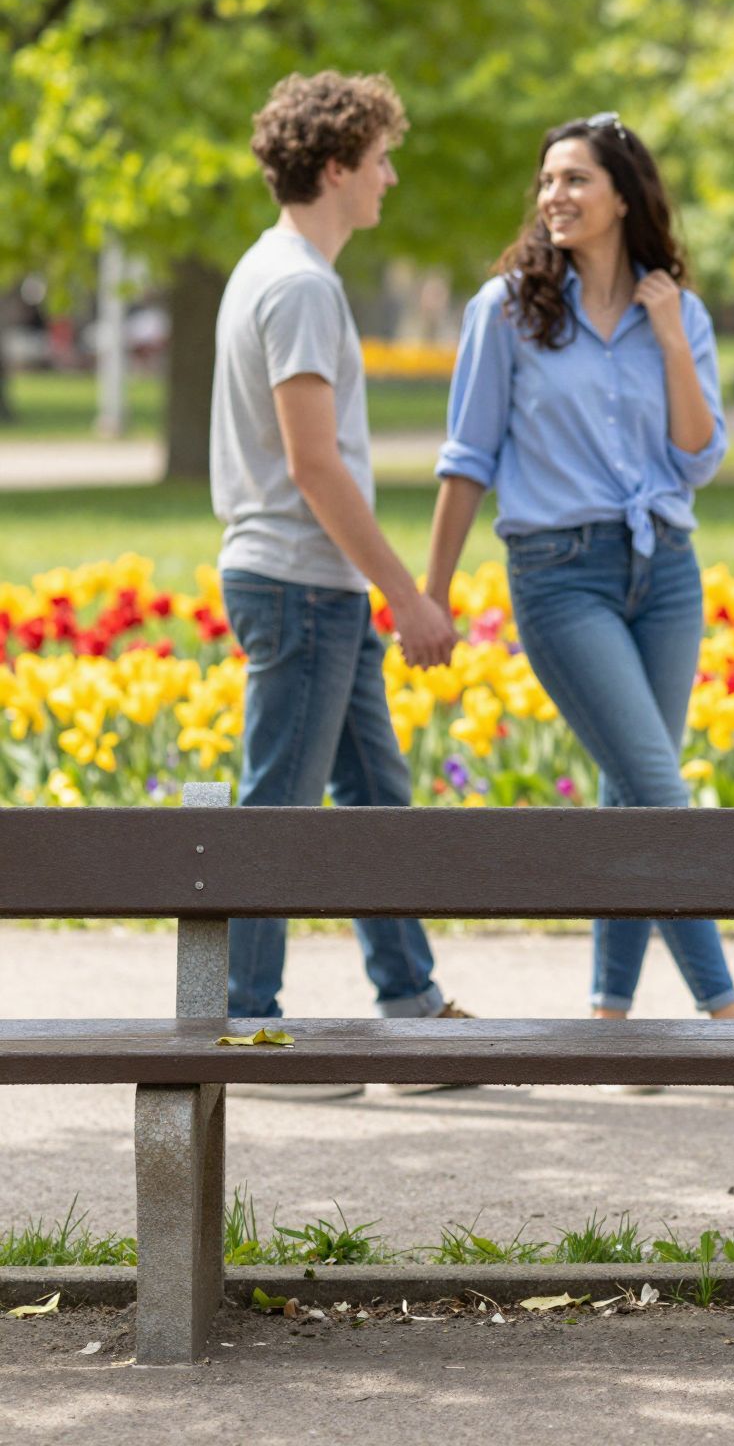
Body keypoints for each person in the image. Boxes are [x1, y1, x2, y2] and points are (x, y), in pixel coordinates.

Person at [426, 112, 734, 1090]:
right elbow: (465, 460)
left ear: (623, 193)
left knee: (632, 791)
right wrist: (433, 594)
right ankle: (728, 1021)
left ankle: (608, 1023)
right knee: (660, 794)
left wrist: (667, 335)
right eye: (545, 182)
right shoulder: (506, 310)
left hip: (663, 570)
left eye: (574, 179)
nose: (554, 197)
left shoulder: (681, 314)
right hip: (559, 573)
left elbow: (697, 457)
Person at [210, 72, 469, 1093]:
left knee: (374, 798)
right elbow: (313, 465)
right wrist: (407, 594)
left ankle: (408, 1004)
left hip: (308, 586)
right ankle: (248, 1031)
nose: (390, 178)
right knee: (280, 811)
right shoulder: (302, 286)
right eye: (377, 162)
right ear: (334, 170)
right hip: (301, 585)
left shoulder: (269, 270)